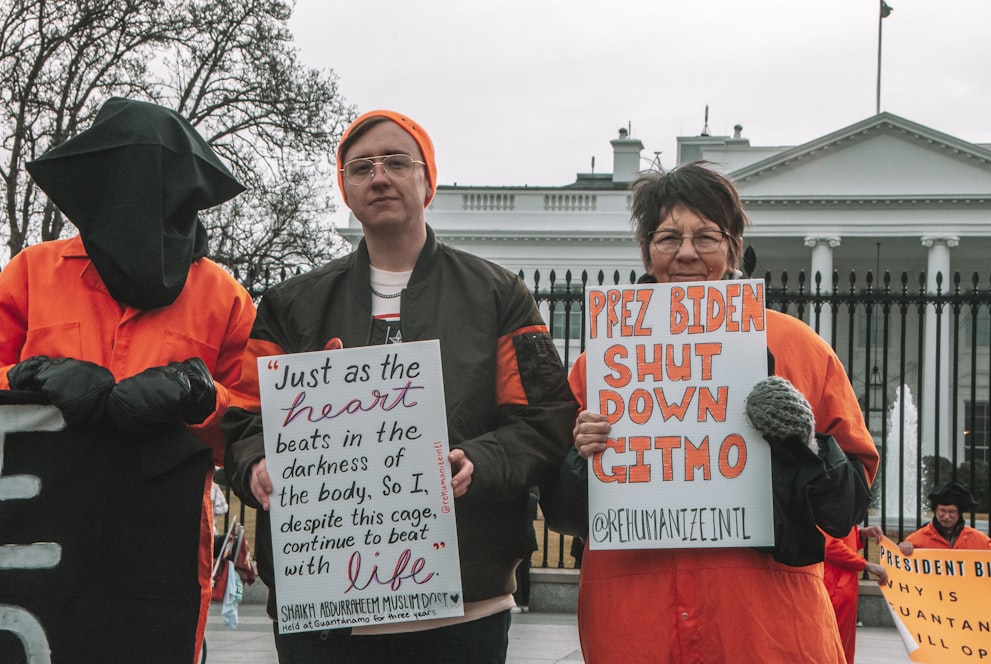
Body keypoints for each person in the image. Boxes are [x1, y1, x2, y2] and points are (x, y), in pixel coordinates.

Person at [222, 109, 577, 663]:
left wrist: (478, 462)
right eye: (360, 167)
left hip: (463, 603)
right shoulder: (292, 305)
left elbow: (546, 420)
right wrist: (255, 463)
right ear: (344, 189)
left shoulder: (497, 295)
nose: (378, 176)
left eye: (395, 162)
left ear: (428, 181)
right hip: (322, 605)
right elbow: (244, 417)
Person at [569, 162, 880, 663]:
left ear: (733, 245)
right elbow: (562, 513)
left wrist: (805, 443)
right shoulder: (601, 364)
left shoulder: (799, 347)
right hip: (635, 627)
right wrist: (579, 459)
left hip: (764, 628)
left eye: (706, 237)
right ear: (647, 248)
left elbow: (848, 507)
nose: (686, 253)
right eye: (668, 237)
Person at [0, 97, 255, 664]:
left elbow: (251, 427)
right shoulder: (30, 275)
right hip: (38, 540)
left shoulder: (224, 298)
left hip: (157, 556)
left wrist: (201, 397)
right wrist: (26, 376)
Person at [823, 524, 888, 664]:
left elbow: (838, 538)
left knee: (841, 648)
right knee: (832, 647)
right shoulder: (823, 506)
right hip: (833, 588)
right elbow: (829, 545)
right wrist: (866, 565)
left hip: (841, 587)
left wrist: (860, 534)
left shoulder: (833, 506)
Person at [899, 481, 991, 553]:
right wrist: (903, 547)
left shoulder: (978, 540)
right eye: (942, 511)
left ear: (959, 513)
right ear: (935, 511)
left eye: (951, 512)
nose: (946, 516)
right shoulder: (918, 539)